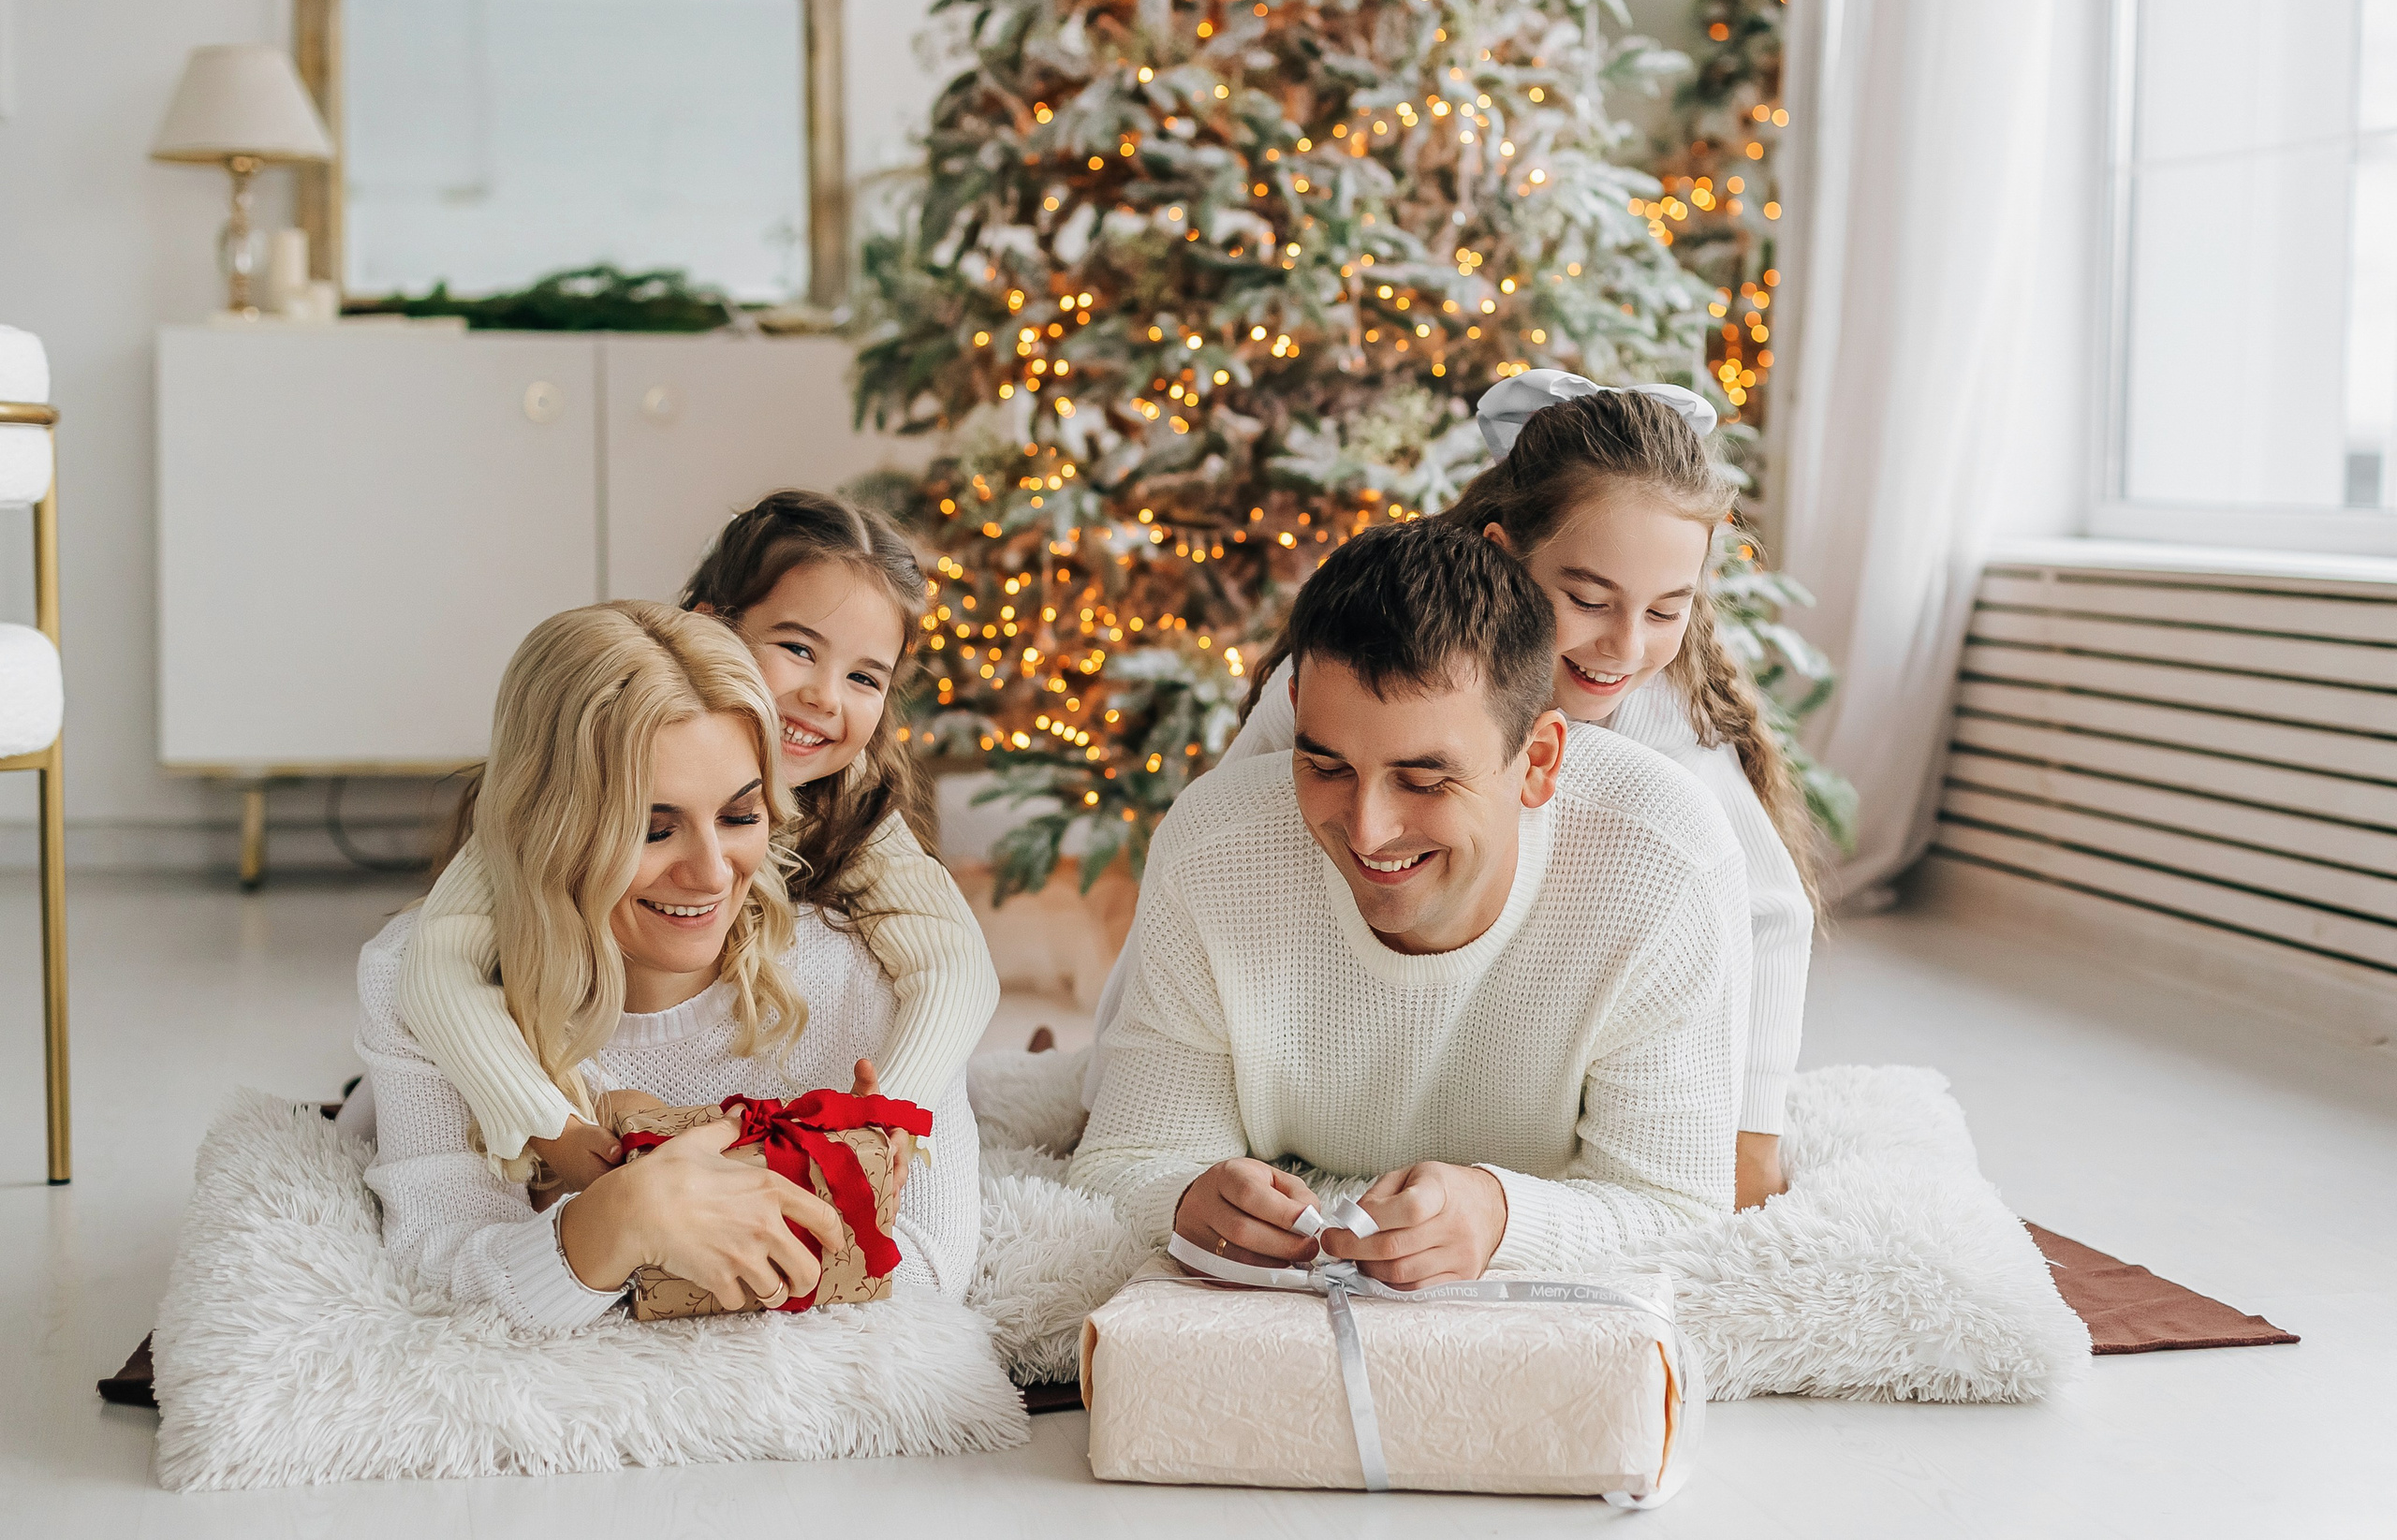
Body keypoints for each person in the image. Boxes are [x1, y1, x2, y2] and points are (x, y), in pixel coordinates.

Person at [1081, 374, 1813, 1209]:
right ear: (1504, 556)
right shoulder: (1353, 680)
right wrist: (1117, 1091)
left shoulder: (1652, 712)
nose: (1623, 645)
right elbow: (1204, 879)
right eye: (1586, 599)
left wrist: (1750, 1142)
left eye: (1665, 611)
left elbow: (1767, 914)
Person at [1067, 522, 1748, 1286]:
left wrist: (1500, 1216)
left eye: (1425, 780)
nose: (1366, 830)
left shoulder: (1666, 865)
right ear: (1294, 710)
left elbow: (1679, 1208)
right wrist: (1187, 1197)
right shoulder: (1212, 851)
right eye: (1324, 764)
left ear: (1541, 760)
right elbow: (1125, 1159)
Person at [358, 602, 978, 1329]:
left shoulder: (865, 969)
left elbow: (929, 1272)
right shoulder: (418, 978)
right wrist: (623, 1217)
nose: (712, 873)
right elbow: (437, 1283)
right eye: (654, 829)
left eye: (741, 817)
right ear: (550, 826)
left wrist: (654, 1222)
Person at [394, 491, 996, 1193]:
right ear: (713, 630)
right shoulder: (602, 763)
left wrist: (894, 1104)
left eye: (864, 677)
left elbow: (954, 963)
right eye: (799, 649)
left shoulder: (853, 804)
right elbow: (438, 967)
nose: (826, 698)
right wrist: (548, 1126)